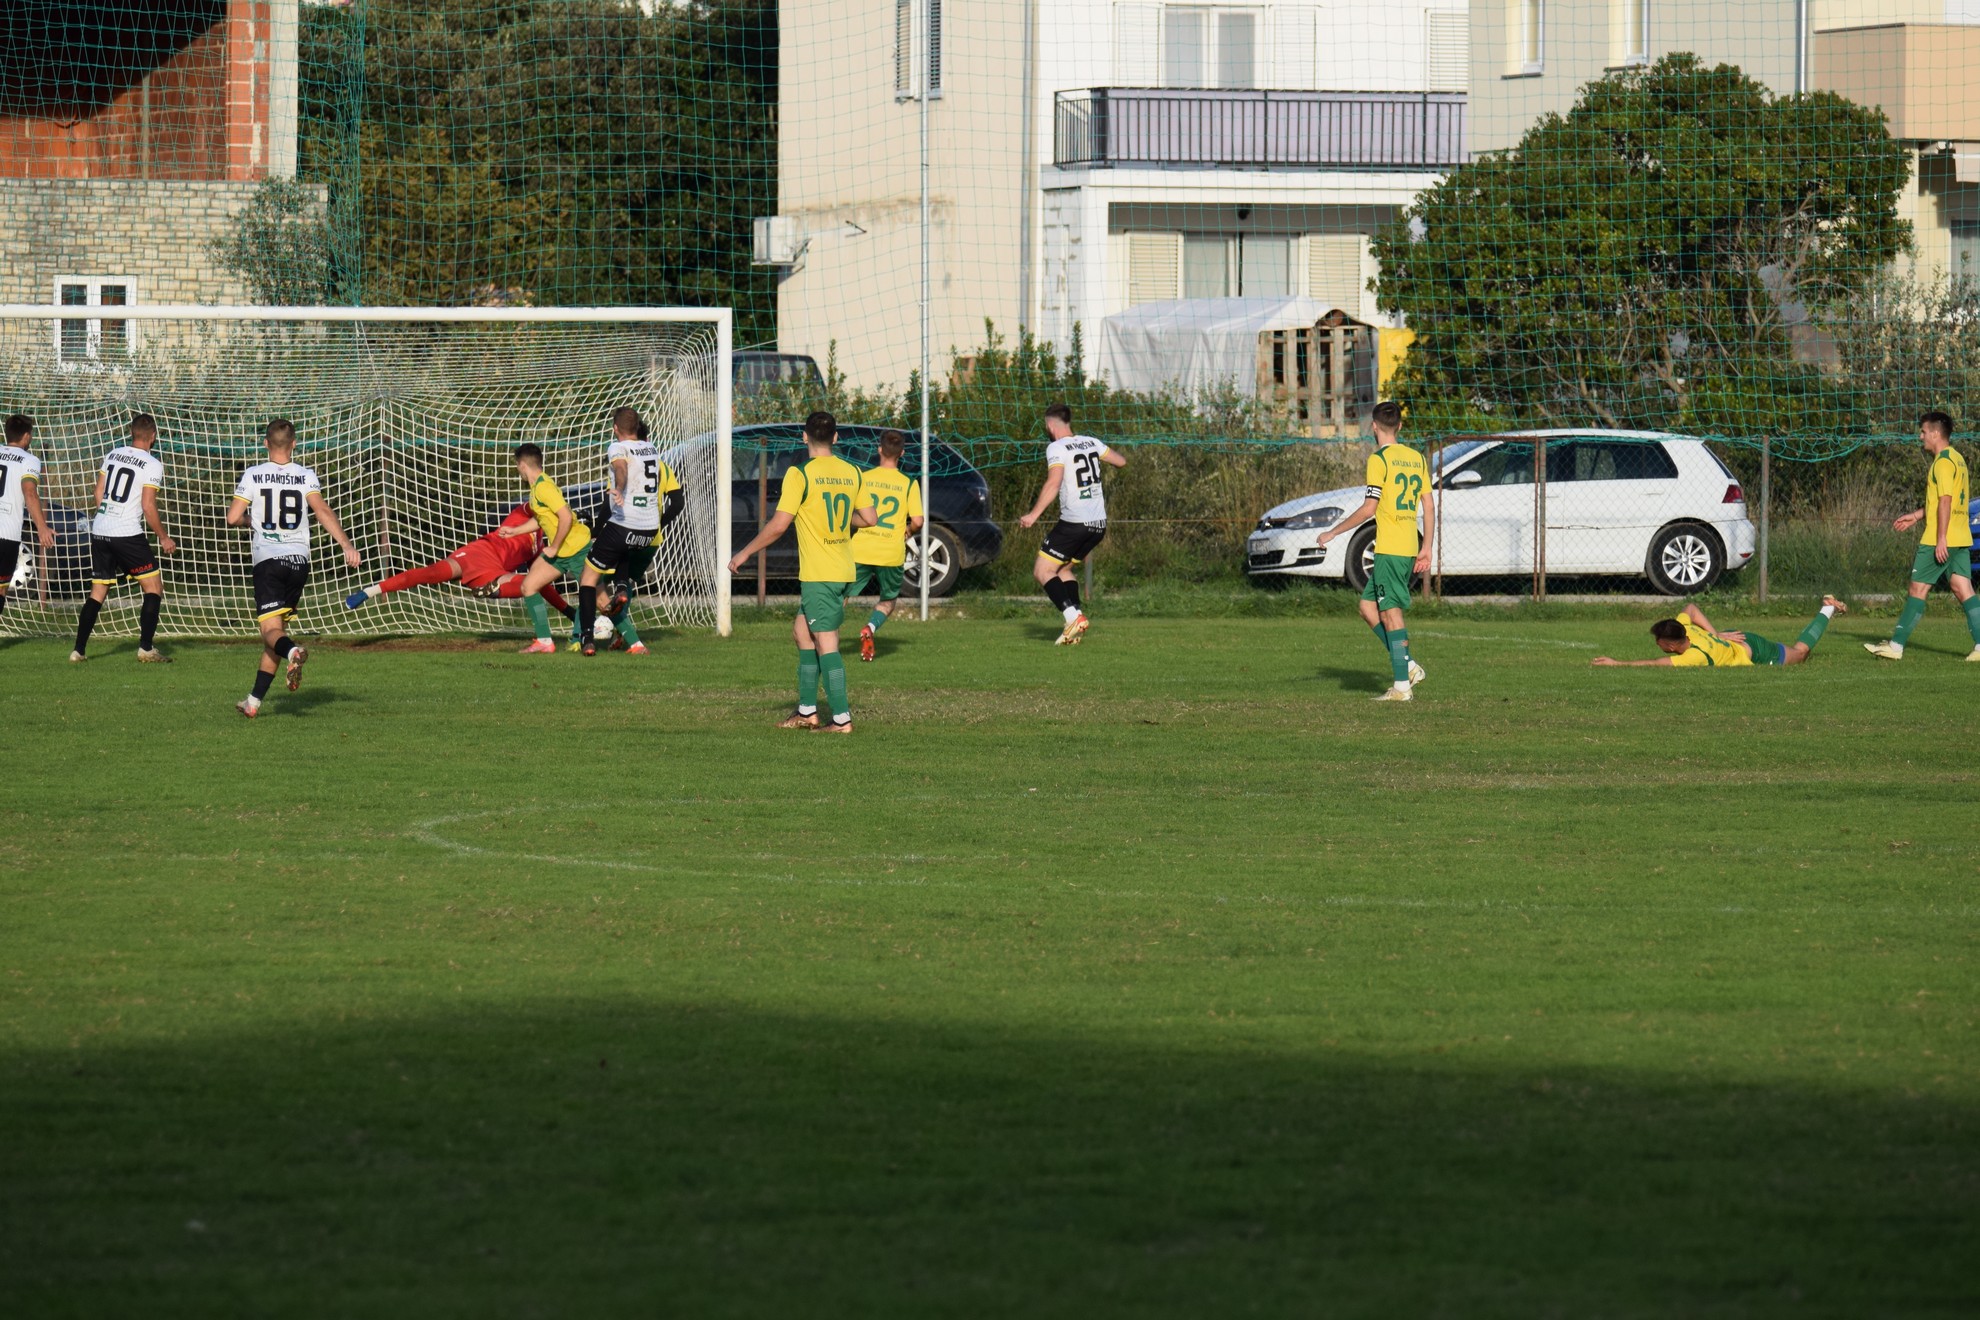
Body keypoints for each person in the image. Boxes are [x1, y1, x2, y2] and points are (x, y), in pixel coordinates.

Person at [726, 410, 877, 731]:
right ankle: (807, 711)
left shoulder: (800, 474)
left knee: (826, 641)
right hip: (842, 569)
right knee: (801, 632)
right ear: (835, 438)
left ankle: (841, 719)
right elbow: (870, 518)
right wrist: (838, 521)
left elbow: (779, 525)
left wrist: (744, 552)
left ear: (804, 436)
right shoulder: (852, 471)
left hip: (820, 573)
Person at [225, 418, 362, 717]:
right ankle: (253, 702)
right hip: (299, 562)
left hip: (269, 561)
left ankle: (293, 652)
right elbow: (321, 510)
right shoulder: (305, 475)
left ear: (265, 443)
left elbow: (233, 517)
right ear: (294, 444)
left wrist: (251, 521)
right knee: (276, 632)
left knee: (271, 632)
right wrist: (346, 545)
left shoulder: (253, 474)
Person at [1314, 400, 1433, 701]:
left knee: (1391, 613)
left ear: (1374, 426)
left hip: (1391, 548)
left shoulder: (1379, 460)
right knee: (1368, 609)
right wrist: (1427, 547)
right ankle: (1408, 666)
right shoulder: (1417, 458)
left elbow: (1369, 508)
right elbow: (1429, 505)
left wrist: (1333, 531)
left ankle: (1401, 688)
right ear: (1400, 426)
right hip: (1408, 545)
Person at [1864, 411, 1980, 661]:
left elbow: (1945, 501)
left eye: (1923, 432)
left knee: (1917, 588)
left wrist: (1941, 538)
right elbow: (1942, 500)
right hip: (1960, 536)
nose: (1920, 436)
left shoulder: (1942, 463)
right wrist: (1916, 516)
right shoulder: (1958, 459)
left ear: (1936, 433)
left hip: (1940, 538)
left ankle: (1896, 646)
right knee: (1963, 588)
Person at [343, 503, 576, 622]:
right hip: (479, 552)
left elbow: (541, 582)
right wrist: (564, 512)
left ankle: (494, 590)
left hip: (494, 572)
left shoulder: (540, 545)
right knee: (431, 573)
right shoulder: (526, 511)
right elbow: (541, 505)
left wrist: (568, 611)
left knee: (534, 583)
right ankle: (369, 591)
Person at [1016, 403, 1126, 646]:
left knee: (1042, 570)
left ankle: (1072, 617)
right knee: (1063, 570)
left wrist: (1033, 515)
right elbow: (1120, 461)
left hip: (1075, 523)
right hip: (1098, 525)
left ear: (1050, 425)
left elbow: (1053, 483)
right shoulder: (1091, 442)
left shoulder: (1056, 447)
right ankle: (1075, 625)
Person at [576, 408, 682, 656]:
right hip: (649, 531)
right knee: (621, 547)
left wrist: (619, 488)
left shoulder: (617, 447)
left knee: (588, 579)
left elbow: (621, 469)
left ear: (615, 428)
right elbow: (675, 500)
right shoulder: (652, 449)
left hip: (626, 525)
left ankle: (587, 639)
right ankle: (622, 588)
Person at [73, 413, 175, 664]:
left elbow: (98, 492)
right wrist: (163, 537)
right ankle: (146, 649)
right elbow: (148, 505)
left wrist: (108, 516)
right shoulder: (152, 464)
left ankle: (78, 651)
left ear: (131, 433)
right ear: (153, 436)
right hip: (126, 532)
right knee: (153, 587)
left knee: (98, 591)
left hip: (100, 528)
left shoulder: (113, 454)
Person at [508, 443, 594, 654]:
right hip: (561, 552)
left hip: (576, 548)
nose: (518, 470)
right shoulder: (537, 487)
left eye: (517, 466)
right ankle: (545, 642)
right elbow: (541, 520)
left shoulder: (543, 487)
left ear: (522, 465)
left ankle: (634, 643)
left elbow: (565, 516)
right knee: (529, 586)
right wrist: (514, 531)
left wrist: (554, 546)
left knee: (600, 600)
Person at [1594, 597, 1848, 668]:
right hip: (1735, 637)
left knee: (1801, 653)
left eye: (1658, 641)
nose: (1656, 644)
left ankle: (1827, 608)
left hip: (1753, 649)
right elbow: (1690, 607)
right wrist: (1715, 634)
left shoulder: (1693, 657)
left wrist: (1617, 663)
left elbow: (1655, 663)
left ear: (1670, 646)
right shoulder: (1685, 628)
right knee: (1795, 651)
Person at [851, 428, 924, 662]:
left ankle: (823, 637)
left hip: (861, 549)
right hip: (890, 552)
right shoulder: (908, 483)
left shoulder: (864, 477)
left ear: (879, 449)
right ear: (902, 453)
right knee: (888, 600)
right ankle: (870, 627)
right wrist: (909, 530)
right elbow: (918, 521)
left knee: (840, 595)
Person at [0, 414, 55, 621]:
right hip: (6, 535)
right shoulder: (29, 460)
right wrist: (42, 527)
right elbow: (30, 493)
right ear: (26, 436)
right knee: (1, 589)